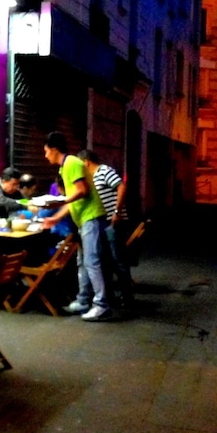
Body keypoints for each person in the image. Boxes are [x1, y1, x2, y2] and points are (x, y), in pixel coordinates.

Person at [41, 132, 114, 322]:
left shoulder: (72, 163)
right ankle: (83, 300)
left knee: (92, 261)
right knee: (84, 261)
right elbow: (72, 199)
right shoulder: (65, 167)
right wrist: (55, 218)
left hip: (91, 217)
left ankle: (101, 305)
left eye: (46, 151)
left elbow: (82, 190)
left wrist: (59, 202)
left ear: (54, 149)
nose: (45, 156)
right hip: (84, 219)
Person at [79, 150, 134, 308]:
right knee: (105, 260)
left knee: (118, 260)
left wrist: (117, 211)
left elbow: (121, 186)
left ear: (86, 162)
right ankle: (110, 296)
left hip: (113, 222)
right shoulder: (90, 178)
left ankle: (127, 296)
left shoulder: (104, 171)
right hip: (102, 223)